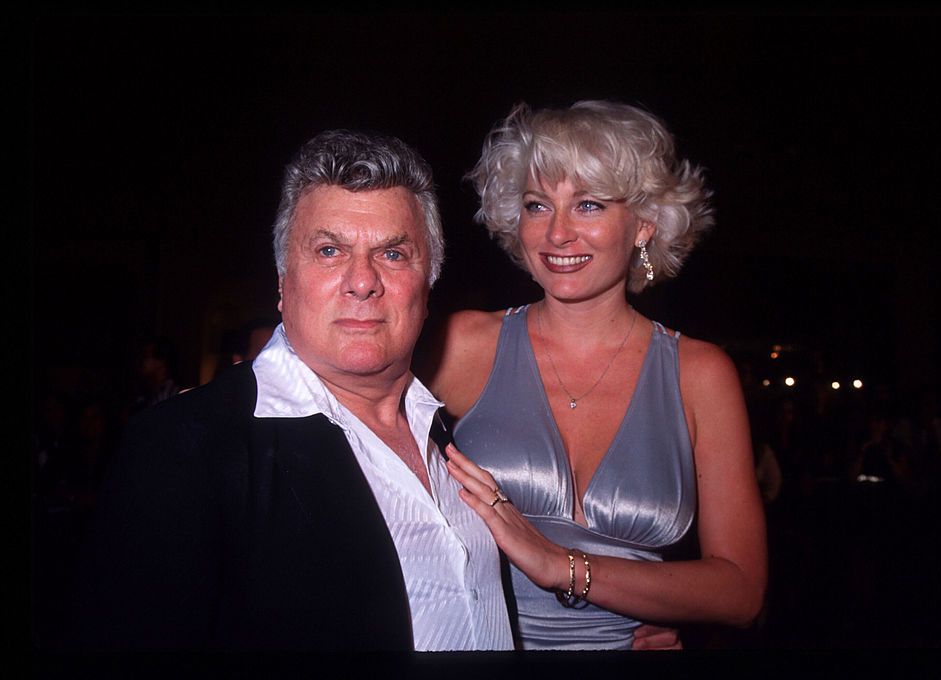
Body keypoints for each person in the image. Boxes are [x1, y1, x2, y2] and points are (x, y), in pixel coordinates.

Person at [67, 129, 514, 652]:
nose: (362, 280)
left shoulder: (452, 432)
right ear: (283, 283)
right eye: (329, 250)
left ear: (428, 283)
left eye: (393, 254)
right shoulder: (188, 447)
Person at [423, 101, 767, 649]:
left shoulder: (700, 375)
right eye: (538, 206)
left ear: (644, 224)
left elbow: (740, 591)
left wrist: (564, 567)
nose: (557, 233)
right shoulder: (460, 346)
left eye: (587, 205)